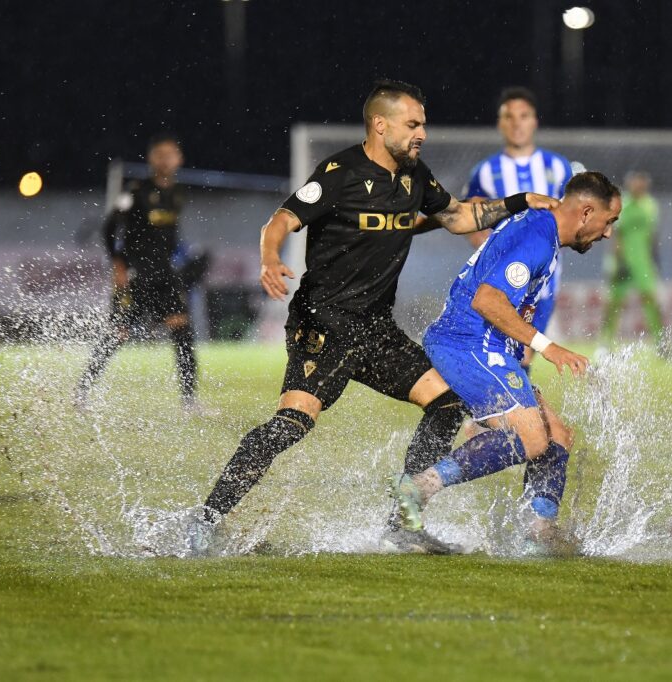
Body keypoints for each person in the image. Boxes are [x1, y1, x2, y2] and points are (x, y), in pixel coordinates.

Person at [188, 79, 558, 555]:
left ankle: (402, 521)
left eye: (423, 124)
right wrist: (268, 258)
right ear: (380, 125)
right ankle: (207, 518)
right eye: (413, 124)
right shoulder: (340, 172)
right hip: (324, 326)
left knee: (447, 406)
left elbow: (460, 218)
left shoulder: (415, 177)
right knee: (292, 424)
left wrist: (517, 202)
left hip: (377, 329)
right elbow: (280, 219)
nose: (422, 132)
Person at [391, 171, 622, 556]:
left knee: (558, 435)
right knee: (531, 439)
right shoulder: (537, 237)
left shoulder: (543, 230)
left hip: (487, 346)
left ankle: (538, 531)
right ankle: (419, 488)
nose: (608, 233)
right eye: (608, 221)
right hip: (466, 344)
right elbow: (487, 300)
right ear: (585, 213)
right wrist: (548, 346)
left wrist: (521, 341)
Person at [75, 134, 209, 414]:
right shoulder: (135, 191)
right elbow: (109, 228)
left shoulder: (177, 193)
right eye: (160, 154)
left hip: (163, 275)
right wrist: (119, 266)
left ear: (179, 159)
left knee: (182, 330)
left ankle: (189, 402)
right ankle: (82, 393)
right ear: (151, 160)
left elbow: (169, 236)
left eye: (170, 154)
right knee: (118, 333)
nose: (165, 160)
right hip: (136, 273)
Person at [464, 87, 574, 373]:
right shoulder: (485, 171)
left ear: (535, 121)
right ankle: (498, 415)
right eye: (509, 117)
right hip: (501, 281)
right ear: (500, 123)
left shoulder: (559, 167)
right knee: (508, 354)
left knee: (522, 353)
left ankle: (493, 415)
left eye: (523, 116)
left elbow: (573, 218)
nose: (517, 123)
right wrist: (490, 254)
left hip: (545, 285)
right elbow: (471, 218)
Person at [600, 171, 667, 355]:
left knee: (651, 300)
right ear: (630, 183)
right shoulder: (623, 204)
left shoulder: (651, 205)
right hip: (623, 261)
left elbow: (652, 235)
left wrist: (655, 259)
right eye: (636, 182)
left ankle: (661, 342)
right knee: (614, 302)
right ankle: (605, 342)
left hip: (643, 262)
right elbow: (616, 234)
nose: (639, 185)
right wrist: (617, 261)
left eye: (642, 182)